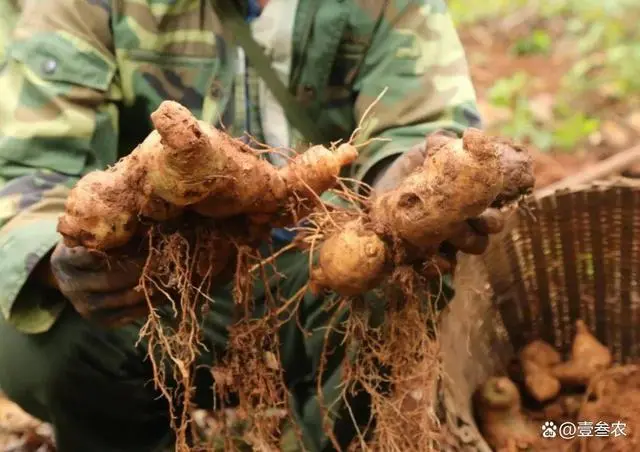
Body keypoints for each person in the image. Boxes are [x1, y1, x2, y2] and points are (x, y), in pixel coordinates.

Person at [0, 0, 503, 450]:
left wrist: (412, 194)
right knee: (33, 329)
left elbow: (416, 130)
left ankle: (321, 439)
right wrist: (59, 261)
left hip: (322, 275)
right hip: (161, 285)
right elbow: (21, 169)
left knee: (418, 275)